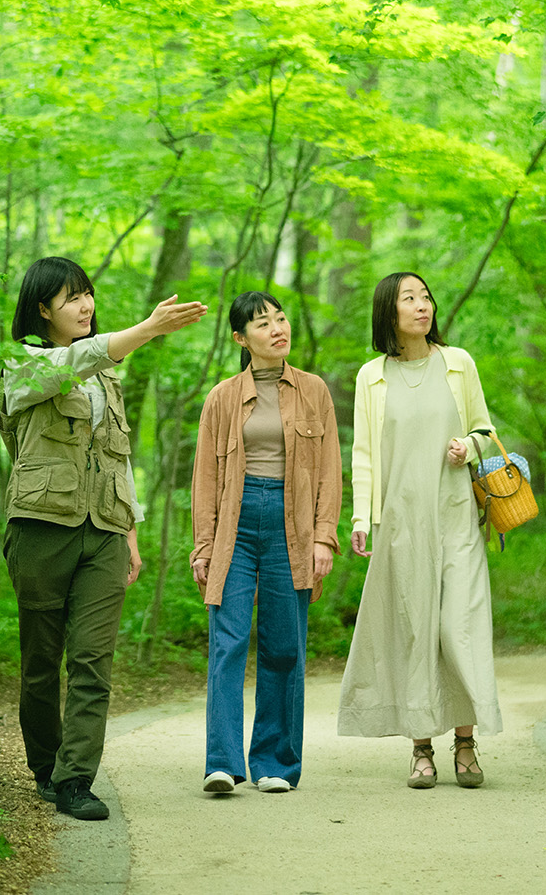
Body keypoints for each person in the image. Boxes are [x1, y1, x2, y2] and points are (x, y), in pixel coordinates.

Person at [0, 257, 207, 821]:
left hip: (106, 532)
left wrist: (132, 532)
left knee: (93, 660)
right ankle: (44, 765)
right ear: (42, 310)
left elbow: (120, 458)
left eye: (88, 294)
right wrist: (145, 330)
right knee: (41, 661)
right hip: (42, 527)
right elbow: (74, 363)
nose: (86, 305)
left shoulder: (108, 375)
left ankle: (75, 780)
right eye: (71, 298)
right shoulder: (21, 364)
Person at [336, 270, 502, 788]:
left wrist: (468, 447)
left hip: (455, 520)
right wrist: (361, 516)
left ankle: (467, 741)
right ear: (390, 312)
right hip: (402, 525)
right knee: (414, 631)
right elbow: (364, 454)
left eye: (426, 296)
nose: (422, 305)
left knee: (459, 628)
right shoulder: (372, 376)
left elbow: (487, 431)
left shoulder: (457, 364)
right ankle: (422, 748)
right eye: (410, 299)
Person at [189, 291, 341, 796]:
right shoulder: (222, 397)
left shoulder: (314, 391)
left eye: (280, 319)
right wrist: (204, 546)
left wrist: (324, 537)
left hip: (291, 524)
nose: (277, 328)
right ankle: (224, 763)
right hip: (235, 522)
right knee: (228, 642)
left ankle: (275, 763)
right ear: (240, 338)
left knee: (284, 646)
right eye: (262, 324)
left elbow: (328, 471)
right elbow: (206, 479)